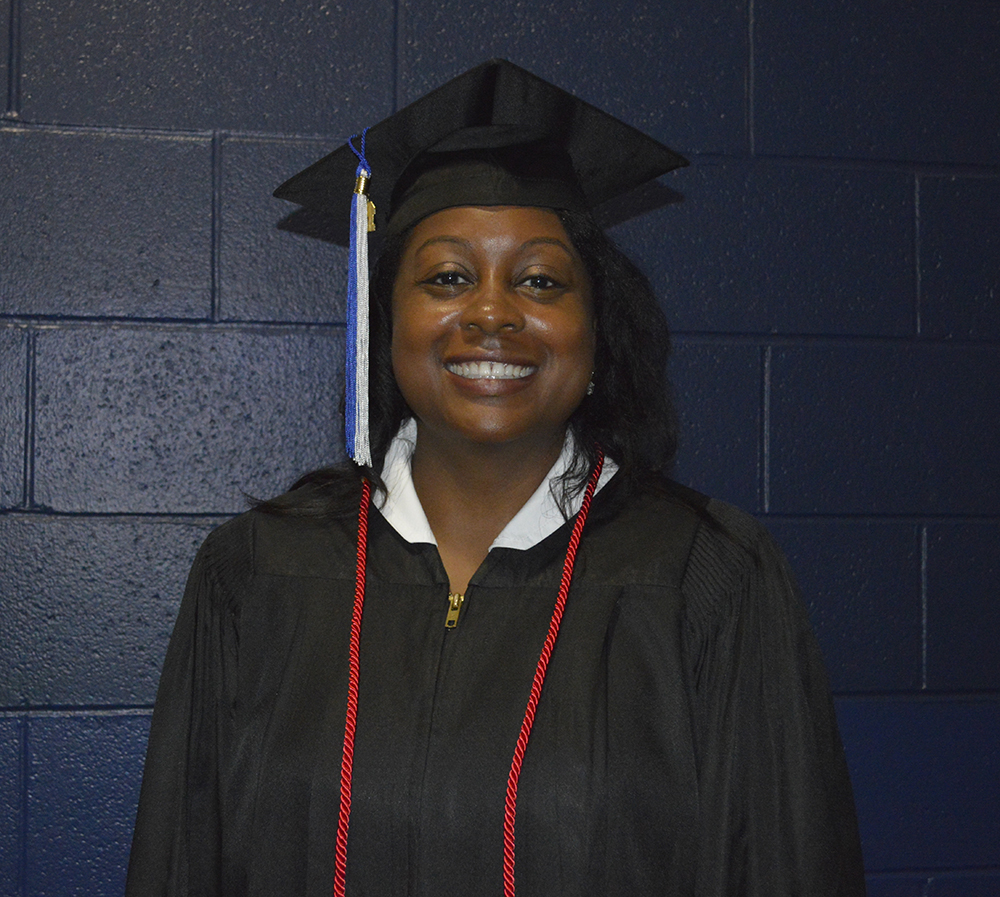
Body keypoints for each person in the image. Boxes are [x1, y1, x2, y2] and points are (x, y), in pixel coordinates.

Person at [126, 60, 866, 896]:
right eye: (446, 277)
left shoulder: (708, 583)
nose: (490, 312)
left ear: (595, 331)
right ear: (389, 323)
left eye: (540, 280)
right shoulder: (254, 576)